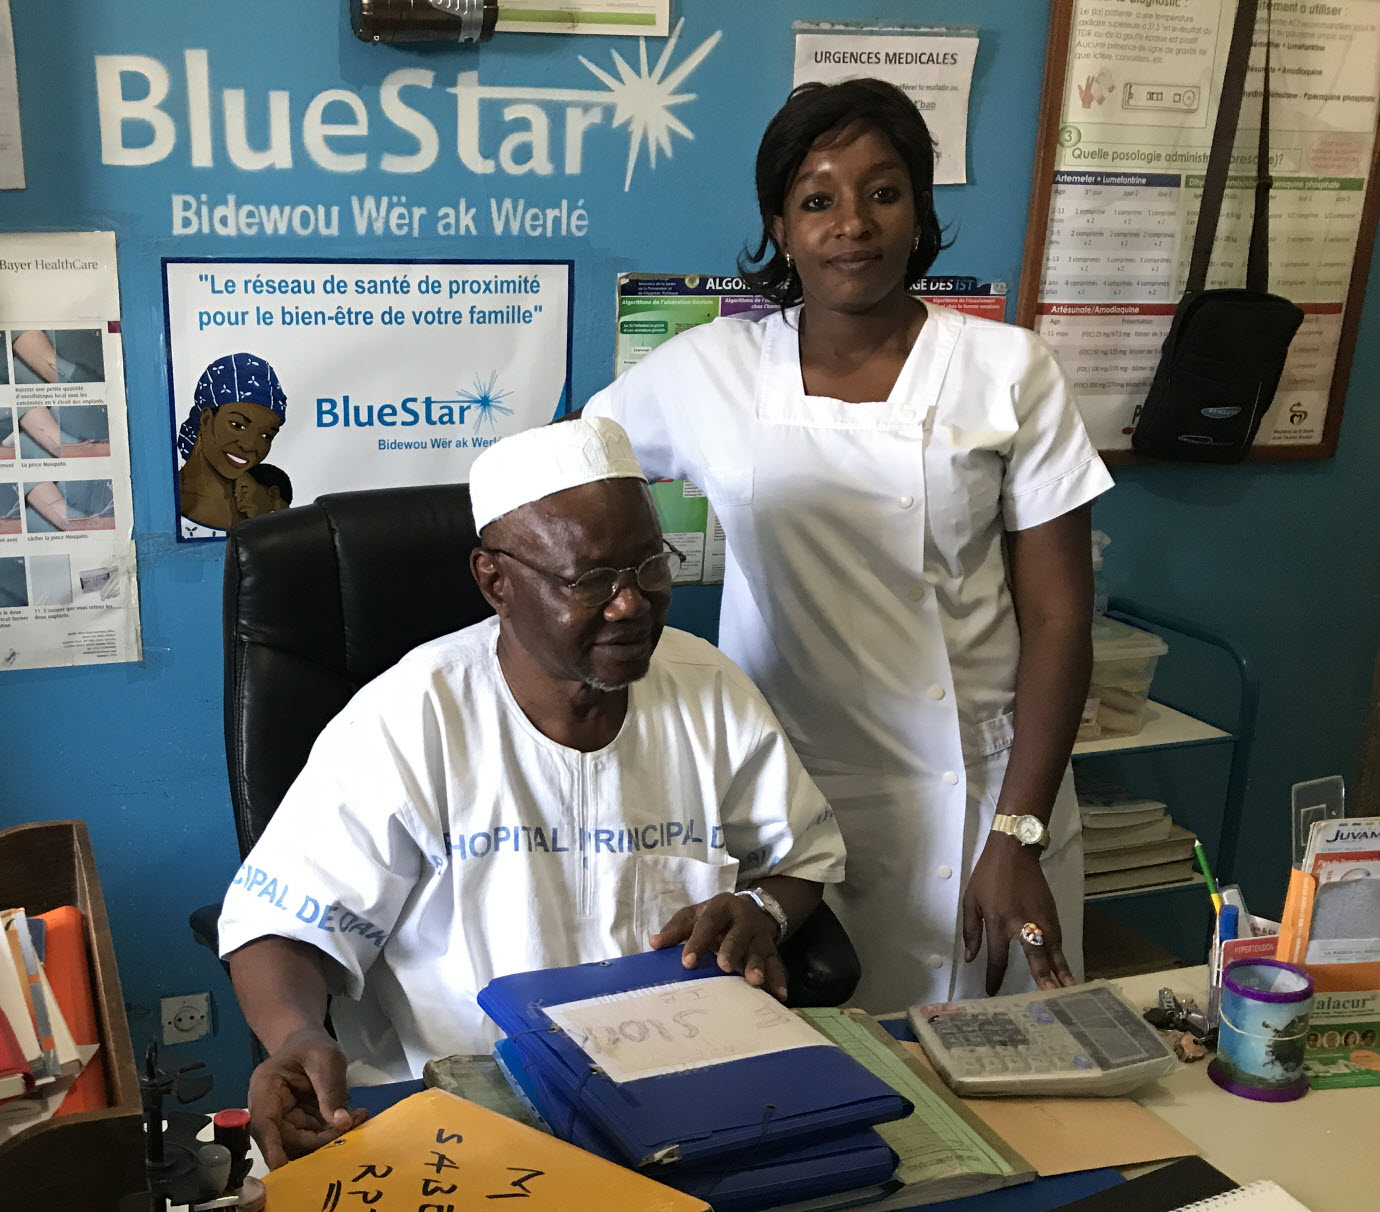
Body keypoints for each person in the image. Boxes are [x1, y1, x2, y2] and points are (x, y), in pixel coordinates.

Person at [582, 79, 1114, 1012]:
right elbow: (578, 474)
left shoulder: (1007, 370)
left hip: (982, 790)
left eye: (883, 191)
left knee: (998, 1089)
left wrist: (1017, 834)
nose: (852, 224)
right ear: (781, 227)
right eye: (817, 199)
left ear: (921, 212)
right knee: (800, 1086)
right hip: (781, 797)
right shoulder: (712, 369)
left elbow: (1061, 618)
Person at [218, 417, 846, 1167]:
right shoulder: (412, 716)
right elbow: (281, 925)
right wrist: (295, 1034)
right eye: (590, 581)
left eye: (650, 567)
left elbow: (802, 858)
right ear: (495, 581)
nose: (630, 604)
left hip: (683, 1095)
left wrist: (762, 910)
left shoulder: (708, 691)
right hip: (461, 1110)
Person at [176, 352, 292, 533]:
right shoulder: (165, 501)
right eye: (237, 425)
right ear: (206, 419)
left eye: (266, 436)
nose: (249, 446)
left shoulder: (261, 505)